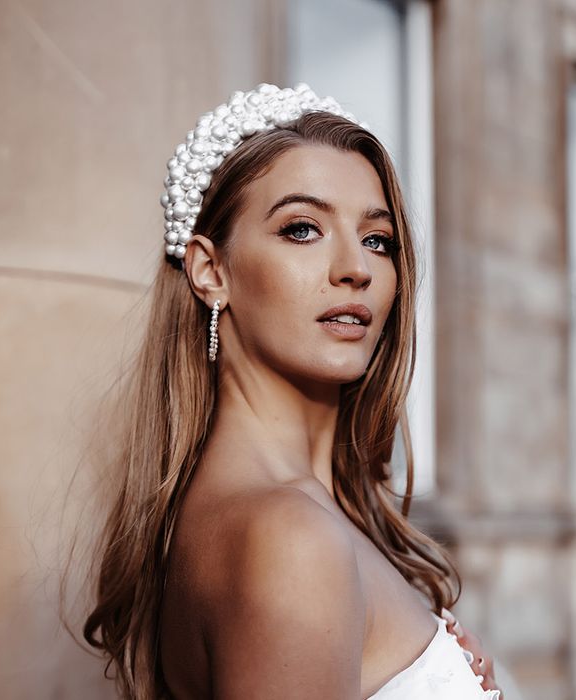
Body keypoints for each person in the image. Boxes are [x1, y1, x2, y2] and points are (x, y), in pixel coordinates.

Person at [79, 83, 504, 699]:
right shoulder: (289, 538)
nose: (355, 267)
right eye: (302, 229)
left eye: (377, 239)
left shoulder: (284, 516)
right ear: (210, 270)